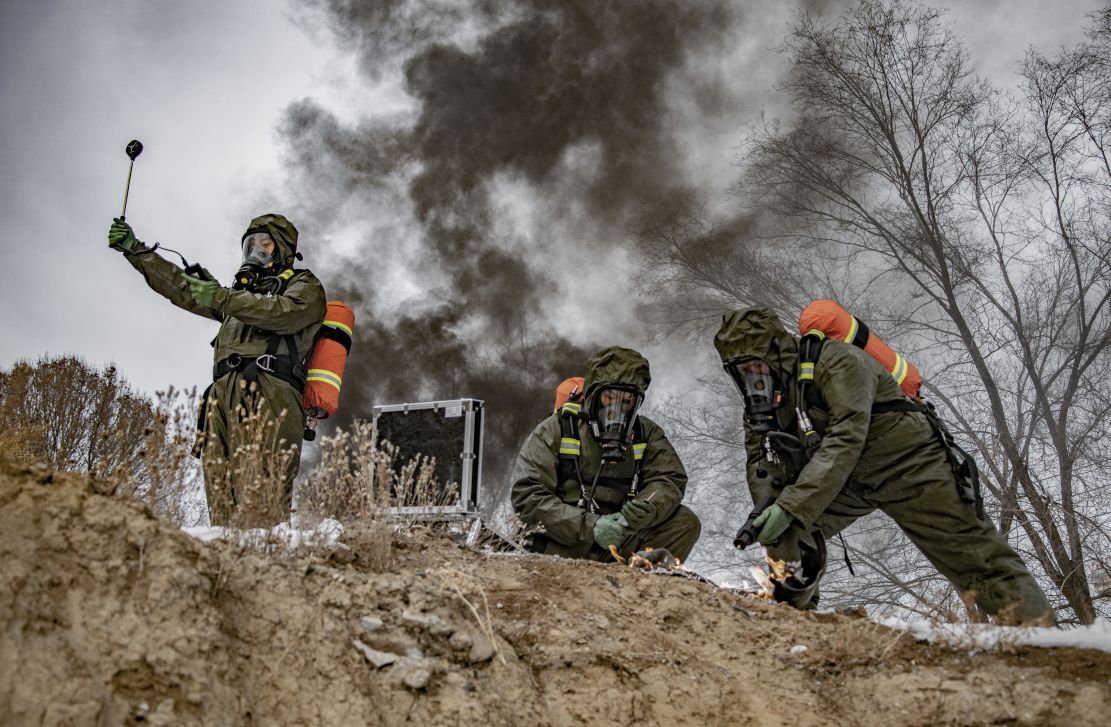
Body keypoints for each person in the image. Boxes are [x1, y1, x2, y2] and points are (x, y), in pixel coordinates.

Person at [714, 306, 1055, 625]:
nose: (751, 376)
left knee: (977, 559)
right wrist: (768, 508)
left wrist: (790, 505)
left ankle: (1043, 639)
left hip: (910, 466)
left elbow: (847, 438)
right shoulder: (764, 403)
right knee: (788, 530)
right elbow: (761, 460)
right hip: (851, 480)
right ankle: (793, 621)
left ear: (776, 350)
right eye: (740, 370)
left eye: (755, 364)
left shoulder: (838, 361)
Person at [107, 213, 326, 527]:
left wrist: (224, 297)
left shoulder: (304, 286)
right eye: (251, 244)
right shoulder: (238, 299)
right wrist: (135, 250)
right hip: (221, 398)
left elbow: (285, 314)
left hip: (269, 394)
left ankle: (264, 565)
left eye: (265, 243)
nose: (257, 251)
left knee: (262, 500)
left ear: (283, 250)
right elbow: (182, 288)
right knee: (221, 499)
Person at [511, 346, 701, 562]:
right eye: (610, 397)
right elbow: (527, 497)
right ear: (593, 395)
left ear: (636, 402)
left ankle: (638, 583)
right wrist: (591, 526)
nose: (617, 408)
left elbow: (669, 479)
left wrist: (646, 506)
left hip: (618, 543)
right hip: (561, 547)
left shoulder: (646, 434)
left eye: (627, 401)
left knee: (685, 521)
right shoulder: (556, 430)